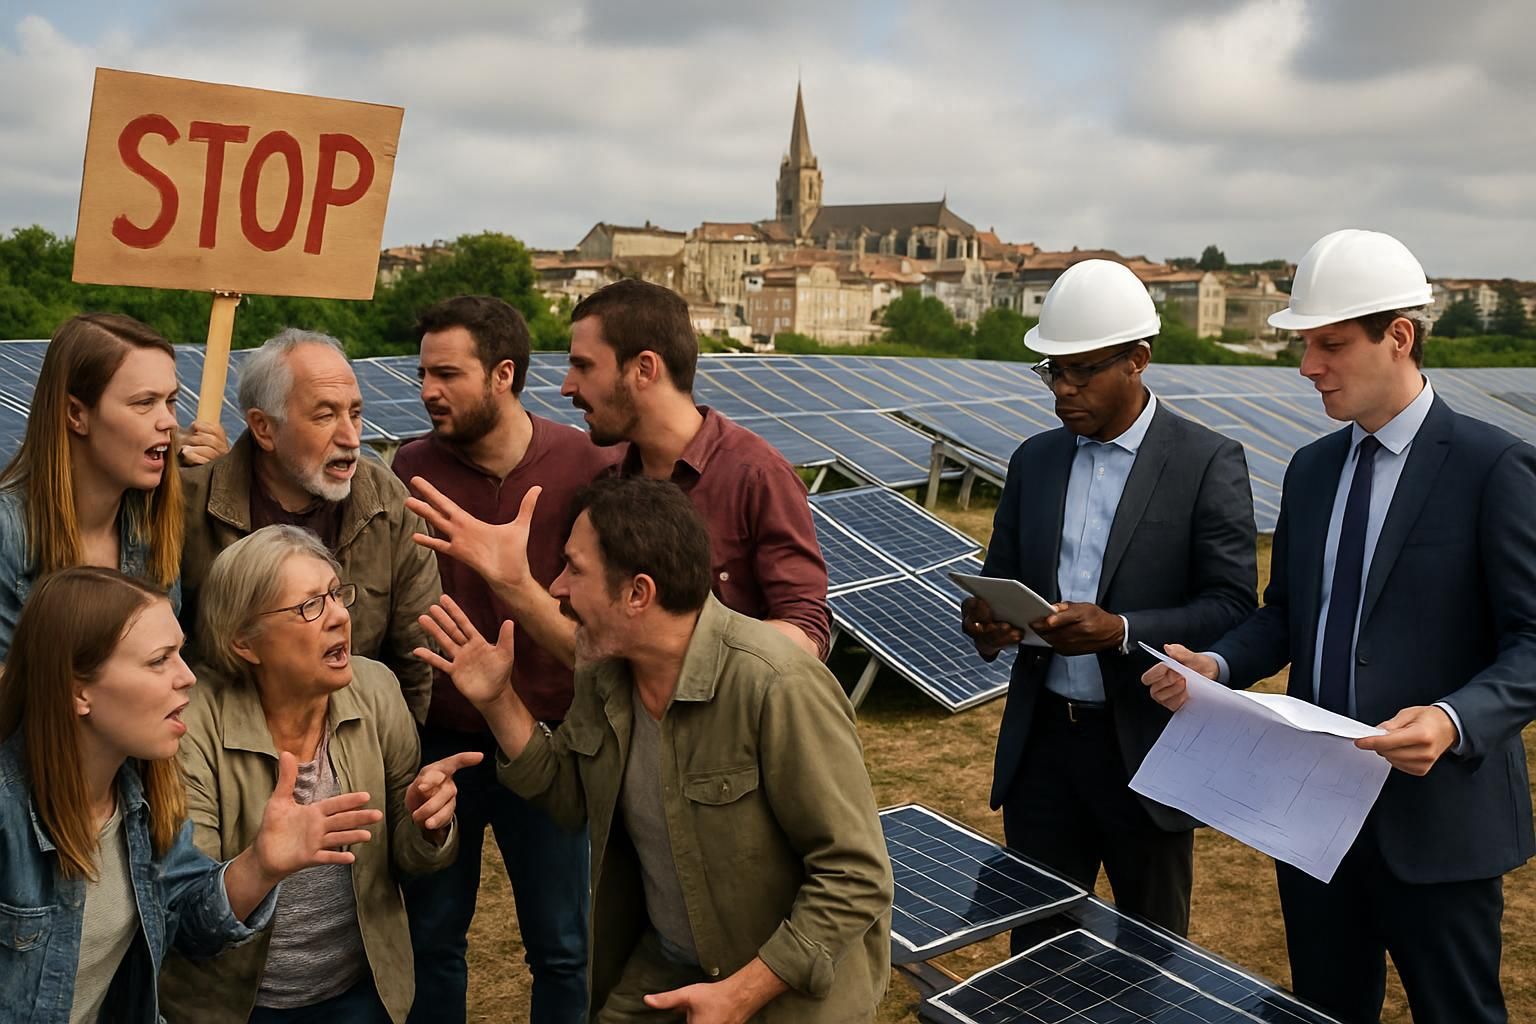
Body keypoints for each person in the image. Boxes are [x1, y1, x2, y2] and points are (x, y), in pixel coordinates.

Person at [1142, 229, 1536, 1023]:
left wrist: (1457, 719)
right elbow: (1287, 613)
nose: (1307, 366)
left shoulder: (1494, 467)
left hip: (1439, 824)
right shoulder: (1313, 468)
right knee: (1322, 1010)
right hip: (1314, 816)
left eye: (1329, 344)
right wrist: (1217, 666)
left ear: (1400, 337)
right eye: (1305, 344)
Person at [415, 477, 892, 1023]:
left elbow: (855, 876)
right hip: (667, 970)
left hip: (783, 997)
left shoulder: (778, 686)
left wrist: (738, 995)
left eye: (575, 569)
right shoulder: (604, 676)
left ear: (638, 593)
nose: (555, 588)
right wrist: (499, 699)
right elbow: (569, 795)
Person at [961, 259, 1258, 938]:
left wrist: (1122, 629)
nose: (1063, 390)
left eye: (1082, 371)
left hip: (1145, 750)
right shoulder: (1035, 460)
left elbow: (1233, 605)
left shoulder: (1205, 462)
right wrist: (985, 620)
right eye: (1051, 372)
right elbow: (999, 576)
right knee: (1038, 953)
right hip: (1043, 752)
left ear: (1138, 361)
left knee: (1150, 956)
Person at [0, 566, 383, 1024]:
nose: (187, 678)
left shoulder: (140, 796)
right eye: (159, 660)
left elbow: (190, 927)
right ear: (78, 690)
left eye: (181, 655)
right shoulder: (9, 817)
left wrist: (259, 866)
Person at [404, 279, 828, 672]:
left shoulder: (754, 477)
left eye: (584, 366)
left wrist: (682, 653)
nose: (566, 387)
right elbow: (589, 651)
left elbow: (806, 632)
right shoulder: (606, 483)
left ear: (644, 369)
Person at [391, 296, 613, 1024]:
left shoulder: (587, 465)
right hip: (441, 736)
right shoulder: (410, 466)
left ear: (503, 375)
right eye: (424, 373)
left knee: (561, 946)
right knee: (432, 938)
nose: (428, 390)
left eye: (448, 374)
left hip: (546, 740)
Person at [159, 525, 474, 1024]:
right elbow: (186, 920)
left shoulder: (376, 690)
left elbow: (410, 863)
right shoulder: (190, 727)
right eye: (309, 606)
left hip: (359, 992)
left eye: (336, 594)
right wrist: (260, 866)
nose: (339, 617)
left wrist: (425, 826)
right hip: (238, 1007)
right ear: (245, 641)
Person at [179, 328, 441, 721]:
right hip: (221, 755)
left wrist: (397, 756)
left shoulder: (388, 502)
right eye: (325, 416)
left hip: (350, 747)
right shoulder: (189, 504)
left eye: (355, 413)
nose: (352, 438)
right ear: (264, 428)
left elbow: (416, 660)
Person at [0, 313, 186, 660]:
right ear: (76, 414)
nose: (170, 421)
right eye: (144, 402)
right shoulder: (7, 532)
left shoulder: (154, 526)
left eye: (171, 400)